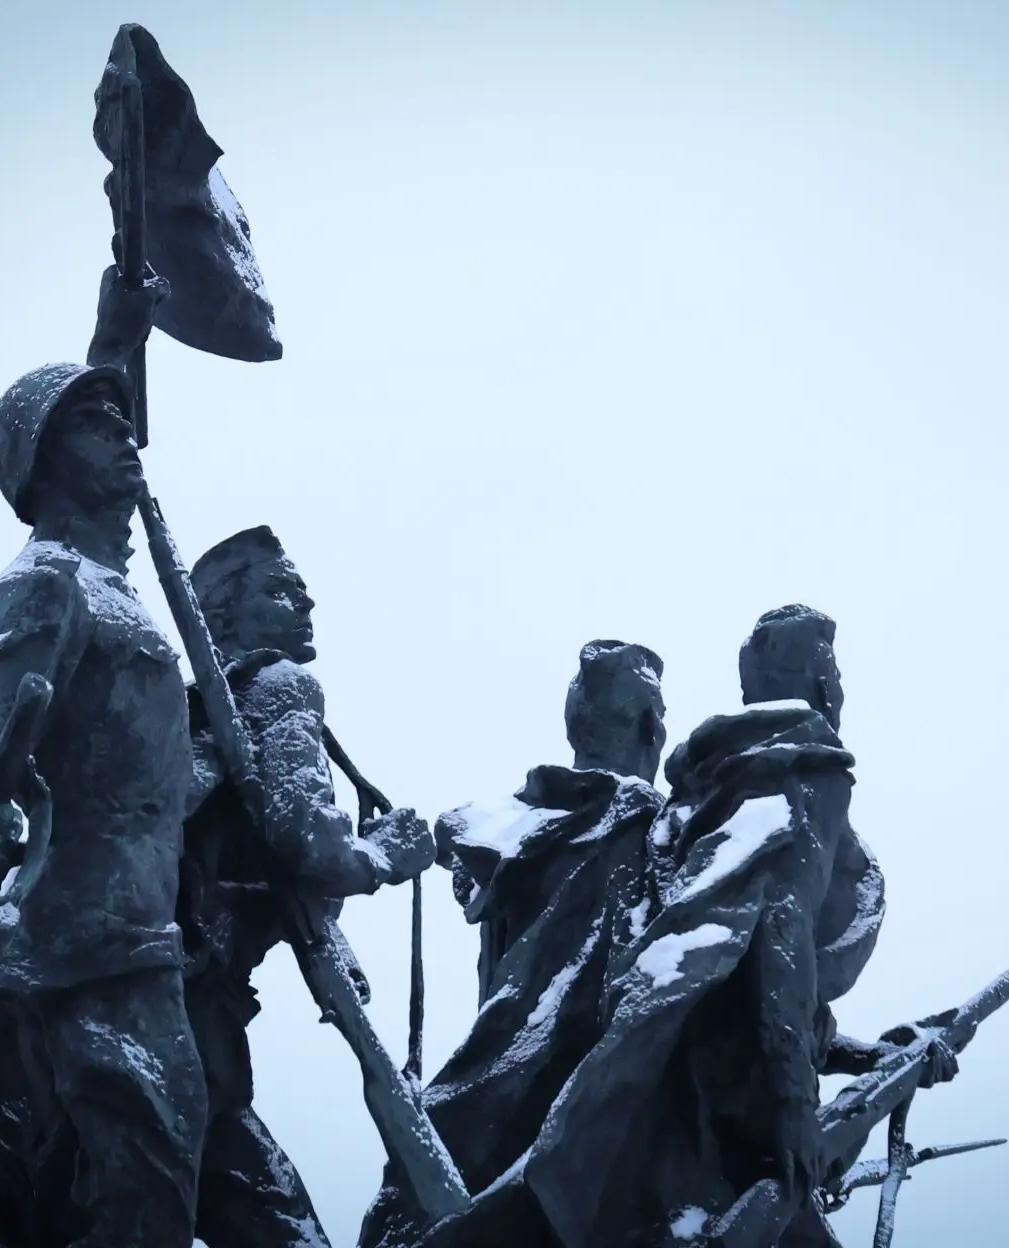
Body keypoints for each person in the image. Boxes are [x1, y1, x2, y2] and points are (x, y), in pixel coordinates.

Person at [0, 265, 207, 1248]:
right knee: (144, 1209)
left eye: (122, 419)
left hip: (146, 945)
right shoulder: (46, 582)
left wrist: (120, 341)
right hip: (85, 958)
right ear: (42, 460)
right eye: (92, 423)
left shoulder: (119, 591)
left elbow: (150, 779)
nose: (123, 433)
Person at [510, 604, 906, 1248]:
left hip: (676, 1113)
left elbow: (725, 965)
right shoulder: (803, 772)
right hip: (719, 1130)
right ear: (823, 684)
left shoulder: (693, 800)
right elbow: (777, 934)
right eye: (833, 673)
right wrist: (794, 1106)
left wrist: (859, 1053)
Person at [359, 640, 669, 1248]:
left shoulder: (504, 825)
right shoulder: (645, 828)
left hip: (493, 1084)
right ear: (650, 727)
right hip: (588, 1102)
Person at [178, 525, 435, 1248]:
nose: (307, 602)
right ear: (224, 615)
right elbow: (311, 843)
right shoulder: (281, 685)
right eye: (281, 590)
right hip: (190, 1005)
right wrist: (386, 854)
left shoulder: (182, 713)